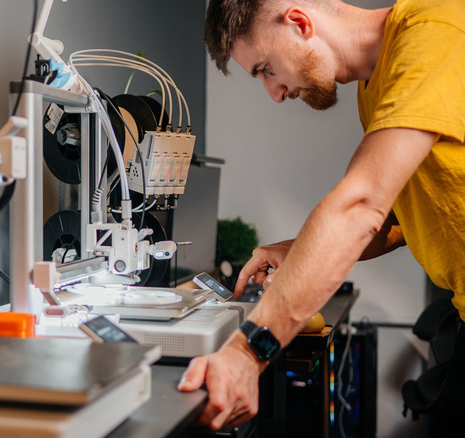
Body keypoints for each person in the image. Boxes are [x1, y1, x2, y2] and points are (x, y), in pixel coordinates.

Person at [177, 0, 465, 432]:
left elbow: (361, 206)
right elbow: (397, 220)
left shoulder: (436, 31)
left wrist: (247, 351)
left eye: (265, 69)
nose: (274, 93)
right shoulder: (373, 89)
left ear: (299, 22)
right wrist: (298, 252)